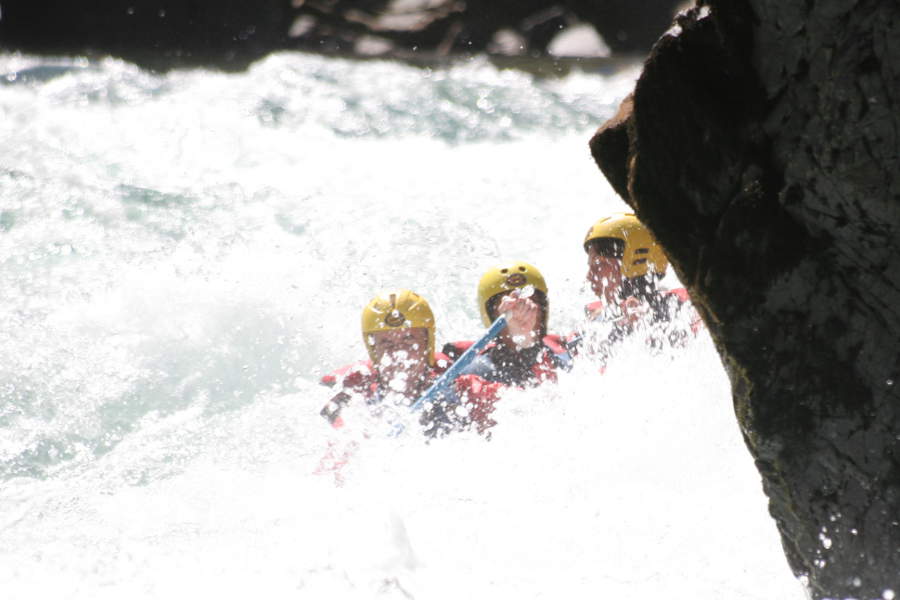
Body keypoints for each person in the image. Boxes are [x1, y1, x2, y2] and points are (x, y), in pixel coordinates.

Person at [443, 262, 576, 431]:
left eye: (531, 304)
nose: (524, 315)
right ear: (492, 317)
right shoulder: (475, 371)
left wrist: (526, 340)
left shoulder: (566, 358)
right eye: (511, 309)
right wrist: (522, 339)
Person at [319, 289, 453, 431]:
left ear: (427, 343)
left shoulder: (453, 378)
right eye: (386, 343)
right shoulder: (355, 385)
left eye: (408, 340)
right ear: (374, 349)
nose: (398, 353)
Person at [582, 212, 701, 359]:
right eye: (590, 267)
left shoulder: (685, 311)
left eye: (599, 265)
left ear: (635, 262)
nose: (589, 277)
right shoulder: (597, 325)